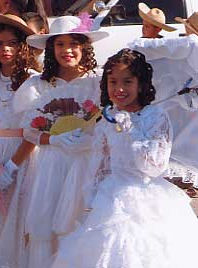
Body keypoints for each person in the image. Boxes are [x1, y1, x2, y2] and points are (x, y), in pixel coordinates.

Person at [49, 48, 198, 268]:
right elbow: (100, 165)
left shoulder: (155, 116)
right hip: (110, 198)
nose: (119, 89)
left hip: (148, 198)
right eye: (113, 82)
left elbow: (153, 166)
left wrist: (128, 128)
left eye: (127, 82)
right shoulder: (107, 120)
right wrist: (91, 200)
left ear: (141, 84)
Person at [12, 14, 108, 268]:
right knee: (48, 227)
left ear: (84, 47)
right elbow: (29, 131)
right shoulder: (38, 85)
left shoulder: (98, 82)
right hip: (51, 167)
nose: (67, 50)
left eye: (74, 44)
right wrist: (55, 139)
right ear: (51, 49)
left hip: (88, 165)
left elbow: (110, 123)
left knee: (83, 223)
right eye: (60, 44)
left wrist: (88, 139)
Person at [0, 13, 38, 267]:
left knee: (21, 217)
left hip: (24, 155)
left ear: (22, 46)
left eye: (12, 43)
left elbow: (36, 128)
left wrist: (13, 165)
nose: (5, 49)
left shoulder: (31, 79)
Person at [129, 17, 198, 198]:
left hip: (176, 105)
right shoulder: (184, 47)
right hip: (176, 104)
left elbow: (136, 46)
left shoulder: (189, 45)